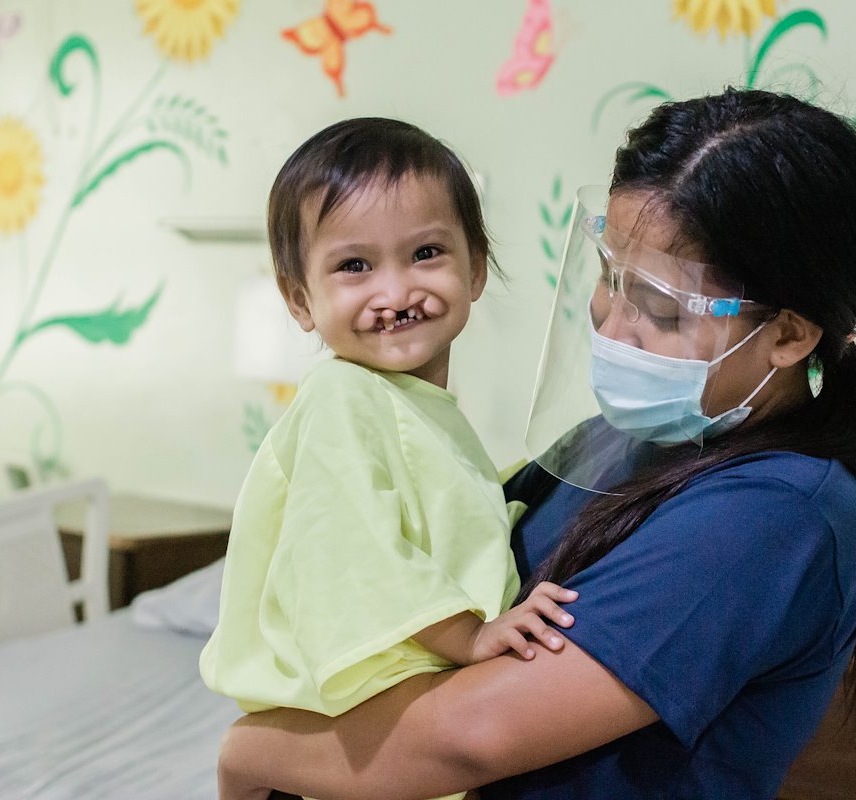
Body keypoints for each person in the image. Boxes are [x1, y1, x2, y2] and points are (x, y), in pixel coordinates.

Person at [215, 87, 856, 800]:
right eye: (608, 275)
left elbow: (472, 735)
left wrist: (251, 750)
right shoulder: (617, 440)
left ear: (789, 334)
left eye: (657, 307)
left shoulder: (774, 516)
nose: (610, 321)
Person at [200, 118, 579, 800]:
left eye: (426, 252)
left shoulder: (421, 412)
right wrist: (469, 635)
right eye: (354, 266)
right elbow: (355, 549)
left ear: (476, 268)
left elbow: (443, 522)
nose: (396, 292)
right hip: (359, 733)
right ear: (299, 299)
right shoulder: (341, 397)